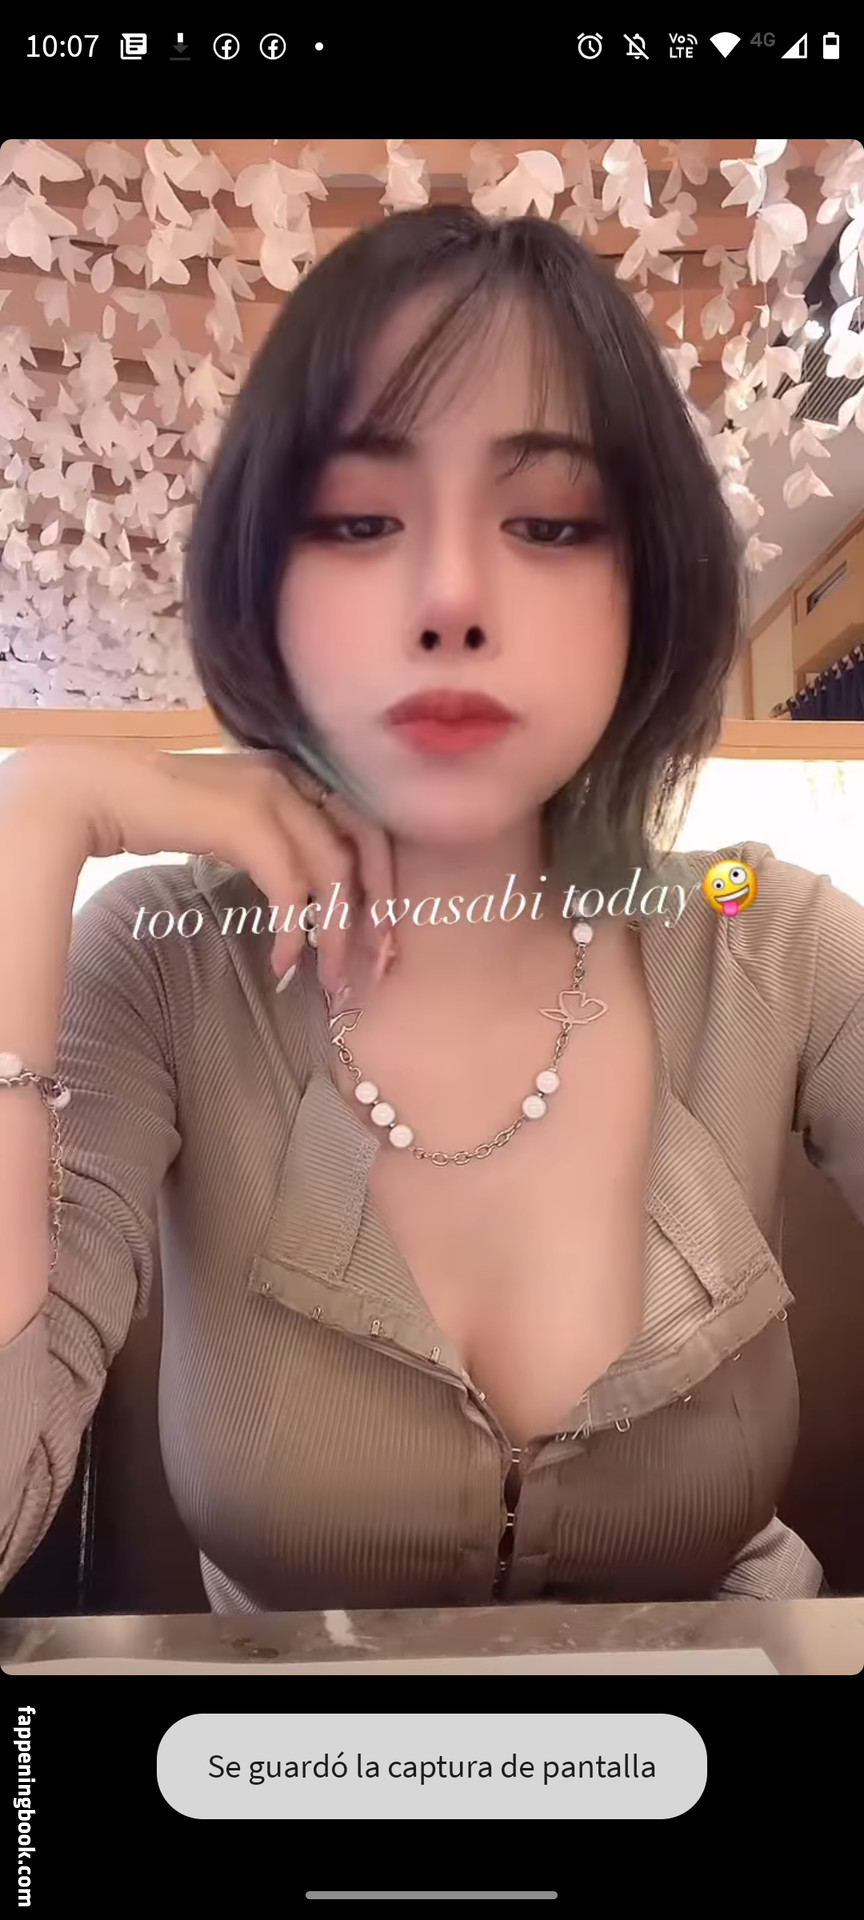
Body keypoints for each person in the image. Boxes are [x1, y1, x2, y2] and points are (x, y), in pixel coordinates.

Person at [0, 205, 851, 1614]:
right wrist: (35, 821)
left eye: (550, 523)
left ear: (647, 587)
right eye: (357, 520)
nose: (451, 598)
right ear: (262, 585)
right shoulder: (159, 969)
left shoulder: (773, 939)